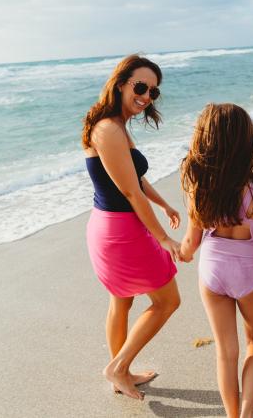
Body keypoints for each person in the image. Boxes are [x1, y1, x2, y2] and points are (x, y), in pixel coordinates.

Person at [179, 103, 253, 418]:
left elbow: (192, 243)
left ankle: (232, 414)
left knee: (226, 353)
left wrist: (181, 252)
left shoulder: (200, 189)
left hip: (212, 274)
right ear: (248, 142)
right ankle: (246, 413)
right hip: (249, 275)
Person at [82, 54, 182, 400]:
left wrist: (164, 203)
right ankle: (117, 366)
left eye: (153, 92)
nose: (146, 96)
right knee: (167, 300)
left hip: (115, 225)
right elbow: (128, 191)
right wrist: (163, 237)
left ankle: (120, 372)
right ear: (121, 83)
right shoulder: (108, 129)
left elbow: (136, 180)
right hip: (121, 229)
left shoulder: (117, 125)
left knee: (121, 302)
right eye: (141, 87)